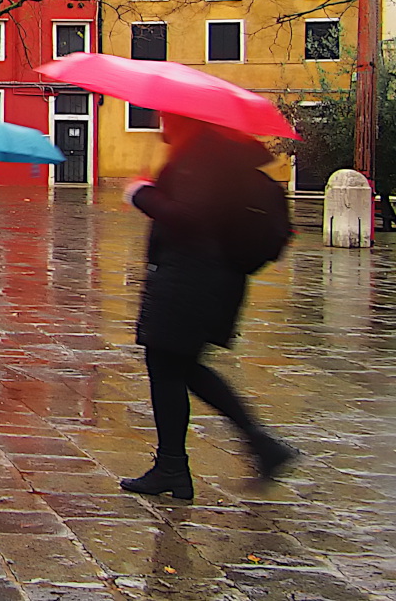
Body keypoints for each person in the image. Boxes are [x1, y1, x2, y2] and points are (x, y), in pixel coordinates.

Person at [118, 113, 298, 500]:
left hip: (190, 280)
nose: (160, 124)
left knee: (169, 366)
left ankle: (180, 465)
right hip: (207, 279)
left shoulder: (200, 159)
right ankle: (250, 448)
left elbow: (189, 217)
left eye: (165, 117)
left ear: (183, 120)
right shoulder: (208, 156)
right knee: (179, 367)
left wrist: (142, 194)